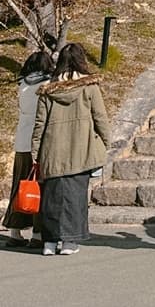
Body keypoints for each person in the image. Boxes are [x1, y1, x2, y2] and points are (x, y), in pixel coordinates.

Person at [30, 42, 110, 256]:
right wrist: (105, 142)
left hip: (52, 152)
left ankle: (49, 242)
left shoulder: (48, 91)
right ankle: (69, 242)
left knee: (51, 198)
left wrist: (35, 153)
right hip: (81, 150)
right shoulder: (89, 87)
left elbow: (39, 124)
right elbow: (100, 117)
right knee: (75, 197)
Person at [3, 48, 54, 246]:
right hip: (39, 140)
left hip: (21, 140)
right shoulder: (48, 84)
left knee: (20, 185)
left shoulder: (21, 84)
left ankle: (15, 231)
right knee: (38, 187)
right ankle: (38, 234)